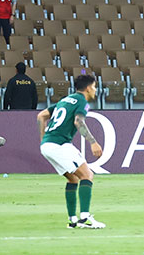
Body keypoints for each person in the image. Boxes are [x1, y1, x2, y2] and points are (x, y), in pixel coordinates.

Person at [37, 74, 105, 229]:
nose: (95, 90)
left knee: (74, 179)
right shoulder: (83, 102)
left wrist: (43, 139)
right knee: (87, 175)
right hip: (60, 144)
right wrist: (93, 142)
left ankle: (73, 221)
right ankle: (85, 218)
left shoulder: (65, 100)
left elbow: (41, 116)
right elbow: (78, 121)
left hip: (48, 145)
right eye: (94, 86)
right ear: (88, 88)